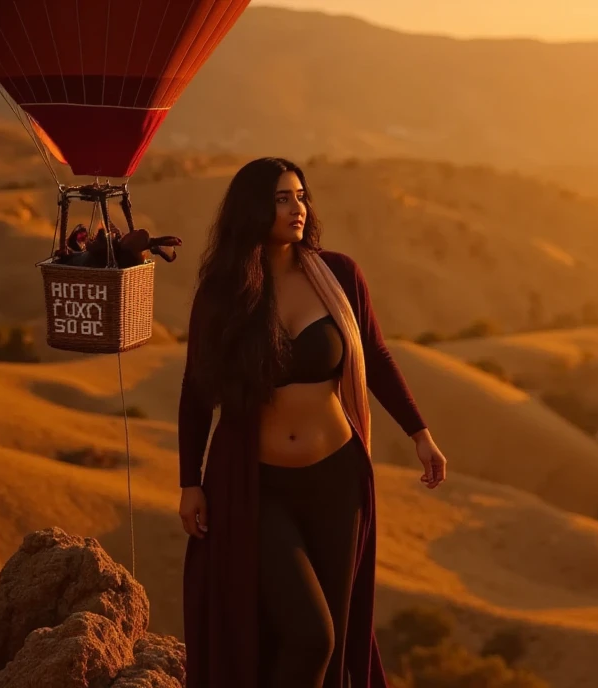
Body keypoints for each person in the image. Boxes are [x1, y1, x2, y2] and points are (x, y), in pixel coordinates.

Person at [176, 157, 448, 688]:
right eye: (281, 198)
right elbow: (196, 391)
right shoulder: (224, 293)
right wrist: (190, 480)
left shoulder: (338, 275)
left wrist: (420, 434)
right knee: (309, 635)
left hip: (337, 481)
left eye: (301, 196)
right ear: (252, 208)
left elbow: (375, 355)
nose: (297, 208)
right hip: (259, 487)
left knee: (338, 641)